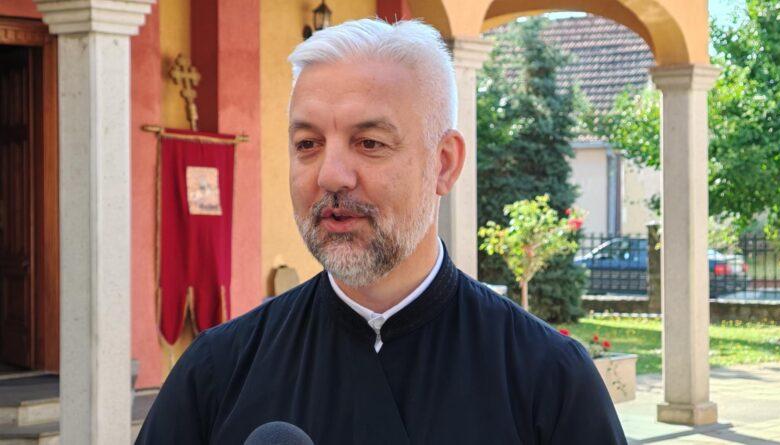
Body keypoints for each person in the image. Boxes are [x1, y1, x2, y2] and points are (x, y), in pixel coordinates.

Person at [136, 18, 627, 444]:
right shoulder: (218, 371)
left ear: (444, 163)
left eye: (369, 142)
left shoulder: (546, 378)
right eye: (307, 144)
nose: (331, 175)